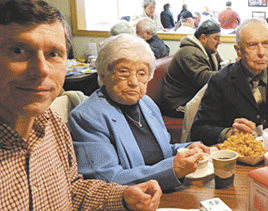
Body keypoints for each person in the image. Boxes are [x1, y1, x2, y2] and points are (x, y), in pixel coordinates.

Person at [0, 0, 162, 211]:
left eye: (53, 54)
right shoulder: (86, 116)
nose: (42, 70)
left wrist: (123, 195)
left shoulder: (53, 127)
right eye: (18, 51)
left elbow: (71, 191)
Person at [68, 34, 210, 191]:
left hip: (163, 192)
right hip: (127, 206)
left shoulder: (146, 103)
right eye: (123, 71)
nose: (134, 82)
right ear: (103, 74)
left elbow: (162, 152)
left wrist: (187, 149)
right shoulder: (87, 117)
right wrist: (172, 169)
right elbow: (107, 181)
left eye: (141, 73)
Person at [191, 18, 268, 146]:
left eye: (266, 44)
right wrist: (229, 133)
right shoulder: (221, 81)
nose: (261, 53)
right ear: (238, 50)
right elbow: (198, 130)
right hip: (239, 158)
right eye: (252, 45)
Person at [161, 20, 223, 117]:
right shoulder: (190, 53)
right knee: (220, 114)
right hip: (178, 103)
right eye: (216, 38)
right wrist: (228, 72)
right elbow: (204, 79)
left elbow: (221, 68)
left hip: (192, 98)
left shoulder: (209, 51)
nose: (220, 42)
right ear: (203, 38)